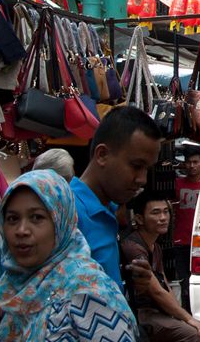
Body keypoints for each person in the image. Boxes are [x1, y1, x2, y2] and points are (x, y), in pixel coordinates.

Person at [0, 171, 138, 341]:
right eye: (13, 219)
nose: (21, 230)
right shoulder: (9, 287)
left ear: (60, 223)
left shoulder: (88, 291)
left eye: (37, 217)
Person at [75, 106, 163, 292]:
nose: (142, 179)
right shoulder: (67, 213)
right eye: (136, 166)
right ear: (102, 155)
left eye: (147, 169)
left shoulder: (109, 210)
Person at [122, 192, 200, 342]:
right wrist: (188, 318)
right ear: (139, 218)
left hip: (158, 311)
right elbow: (156, 291)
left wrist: (180, 314)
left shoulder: (156, 247)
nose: (163, 218)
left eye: (166, 211)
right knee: (195, 334)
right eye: (156, 213)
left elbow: (164, 284)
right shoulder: (133, 247)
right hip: (140, 313)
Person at [173, 145, 200, 248]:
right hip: (180, 240)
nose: (192, 166)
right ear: (184, 163)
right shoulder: (175, 184)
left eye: (195, 162)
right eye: (188, 162)